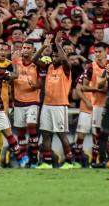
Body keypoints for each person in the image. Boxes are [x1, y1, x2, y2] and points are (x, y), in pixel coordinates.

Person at [34, 32, 75, 169]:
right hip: (47, 104)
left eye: (57, 56)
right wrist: (44, 46)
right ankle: (47, 162)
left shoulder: (66, 68)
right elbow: (34, 60)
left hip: (60, 105)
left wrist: (57, 43)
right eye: (53, 56)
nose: (54, 58)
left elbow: (64, 60)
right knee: (45, 133)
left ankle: (69, 162)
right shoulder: (49, 67)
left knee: (61, 134)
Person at [83, 42, 109, 168]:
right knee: (98, 133)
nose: (97, 54)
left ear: (106, 52)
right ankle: (95, 160)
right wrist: (98, 90)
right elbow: (83, 87)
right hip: (97, 104)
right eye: (95, 52)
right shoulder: (91, 67)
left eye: (99, 52)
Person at [12, 41, 41, 167]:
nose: (25, 50)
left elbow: (41, 83)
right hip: (18, 102)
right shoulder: (15, 63)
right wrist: (13, 62)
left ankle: (34, 158)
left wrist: (36, 86)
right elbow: (11, 77)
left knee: (31, 125)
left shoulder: (37, 65)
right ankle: (24, 158)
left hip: (32, 101)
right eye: (24, 47)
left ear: (33, 51)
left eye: (28, 48)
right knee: (21, 131)